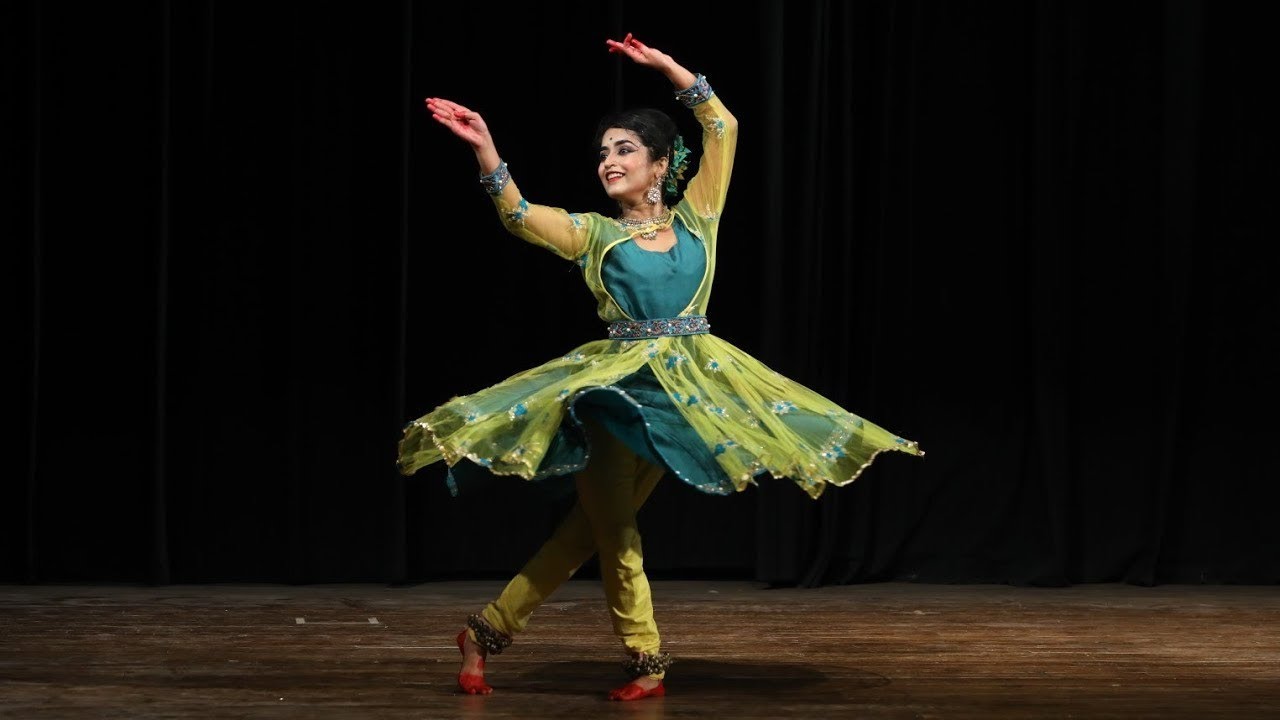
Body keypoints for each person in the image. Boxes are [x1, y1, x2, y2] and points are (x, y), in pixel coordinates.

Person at [399, 33, 924, 702]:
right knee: (617, 532)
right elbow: (522, 217)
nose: (608, 162)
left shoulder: (700, 218)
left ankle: (484, 633)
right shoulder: (594, 234)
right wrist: (485, 149)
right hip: (613, 398)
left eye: (624, 150)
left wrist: (670, 69)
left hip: (682, 397)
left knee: (585, 533)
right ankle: (646, 660)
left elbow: (722, 126)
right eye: (602, 153)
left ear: (659, 165)